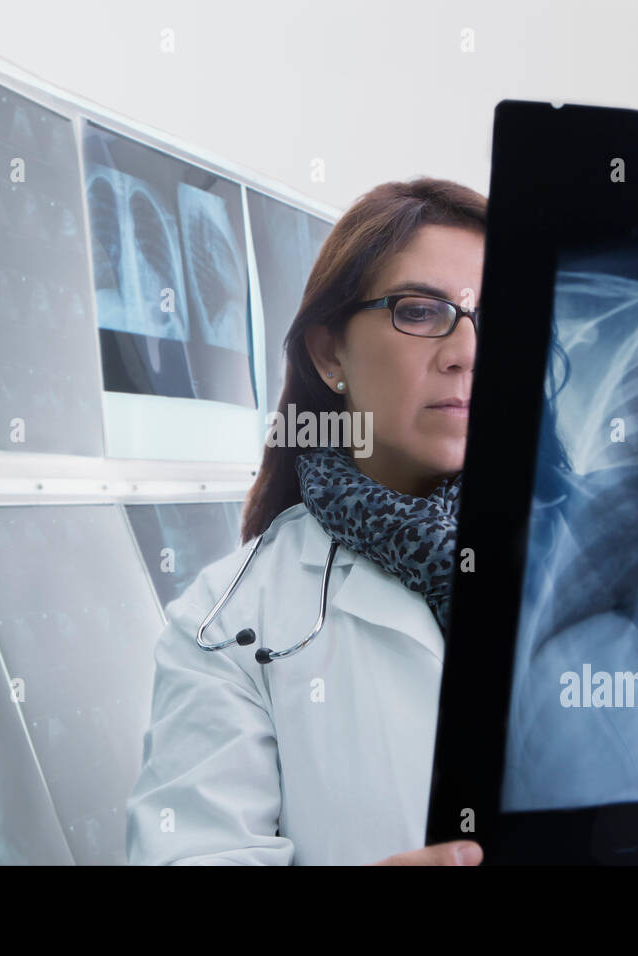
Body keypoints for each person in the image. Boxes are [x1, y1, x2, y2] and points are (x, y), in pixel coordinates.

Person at [125, 177, 485, 865]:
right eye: (419, 311)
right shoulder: (226, 621)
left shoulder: (599, 561)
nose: (465, 349)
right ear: (329, 354)